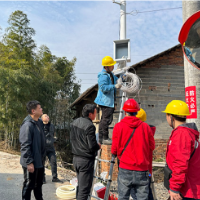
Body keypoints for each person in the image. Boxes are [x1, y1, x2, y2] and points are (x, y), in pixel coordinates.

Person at [111, 99, 155, 200]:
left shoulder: (118, 126)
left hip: (125, 169)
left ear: (125, 112)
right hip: (142, 170)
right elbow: (152, 146)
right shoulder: (146, 127)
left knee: (123, 197)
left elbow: (114, 150)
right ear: (137, 112)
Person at [162, 100, 200, 200]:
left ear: (171, 117)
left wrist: (174, 188)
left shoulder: (181, 134)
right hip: (188, 187)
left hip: (186, 190)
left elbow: (180, 163)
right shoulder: (187, 132)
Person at [70, 104, 101, 200]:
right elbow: (92, 146)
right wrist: (98, 146)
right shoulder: (90, 126)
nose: (96, 115)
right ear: (90, 114)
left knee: (80, 187)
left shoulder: (74, 122)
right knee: (84, 190)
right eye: (95, 113)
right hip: (85, 161)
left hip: (76, 158)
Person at [19, 100, 45, 200]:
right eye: (40, 108)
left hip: (39, 160)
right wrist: (29, 162)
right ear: (33, 111)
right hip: (31, 162)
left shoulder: (39, 122)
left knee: (38, 185)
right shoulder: (27, 125)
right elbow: (25, 145)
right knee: (29, 185)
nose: (41, 109)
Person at [94, 56, 122, 145]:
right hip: (105, 101)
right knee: (106, 120)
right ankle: (104, 138)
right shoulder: (103, 76)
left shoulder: (110, 75)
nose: (113, 66)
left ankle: (101, 138)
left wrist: (122, 78)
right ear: (106, 66)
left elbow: (116, 80)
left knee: (106, 119)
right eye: (111, 65)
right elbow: (103, 88)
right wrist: (114, 86)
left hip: (109, 101)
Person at [136, 108, 155, 200]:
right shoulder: (149, 130)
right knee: (147, 191)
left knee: (140, 193)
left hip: (138, 169)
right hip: (148, 170)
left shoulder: (138, 132)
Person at [41, 114, 62, 183]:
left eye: (48, 116)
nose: (48, 117)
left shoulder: (52, 126)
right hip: (43, 147)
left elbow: (53, 135)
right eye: (46, 116)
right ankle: (42, 178)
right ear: (42, 118)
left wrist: (54, 140)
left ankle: (54, 177)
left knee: (53, 162)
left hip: (51, 147)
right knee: (42, 163)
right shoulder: (40, 126)